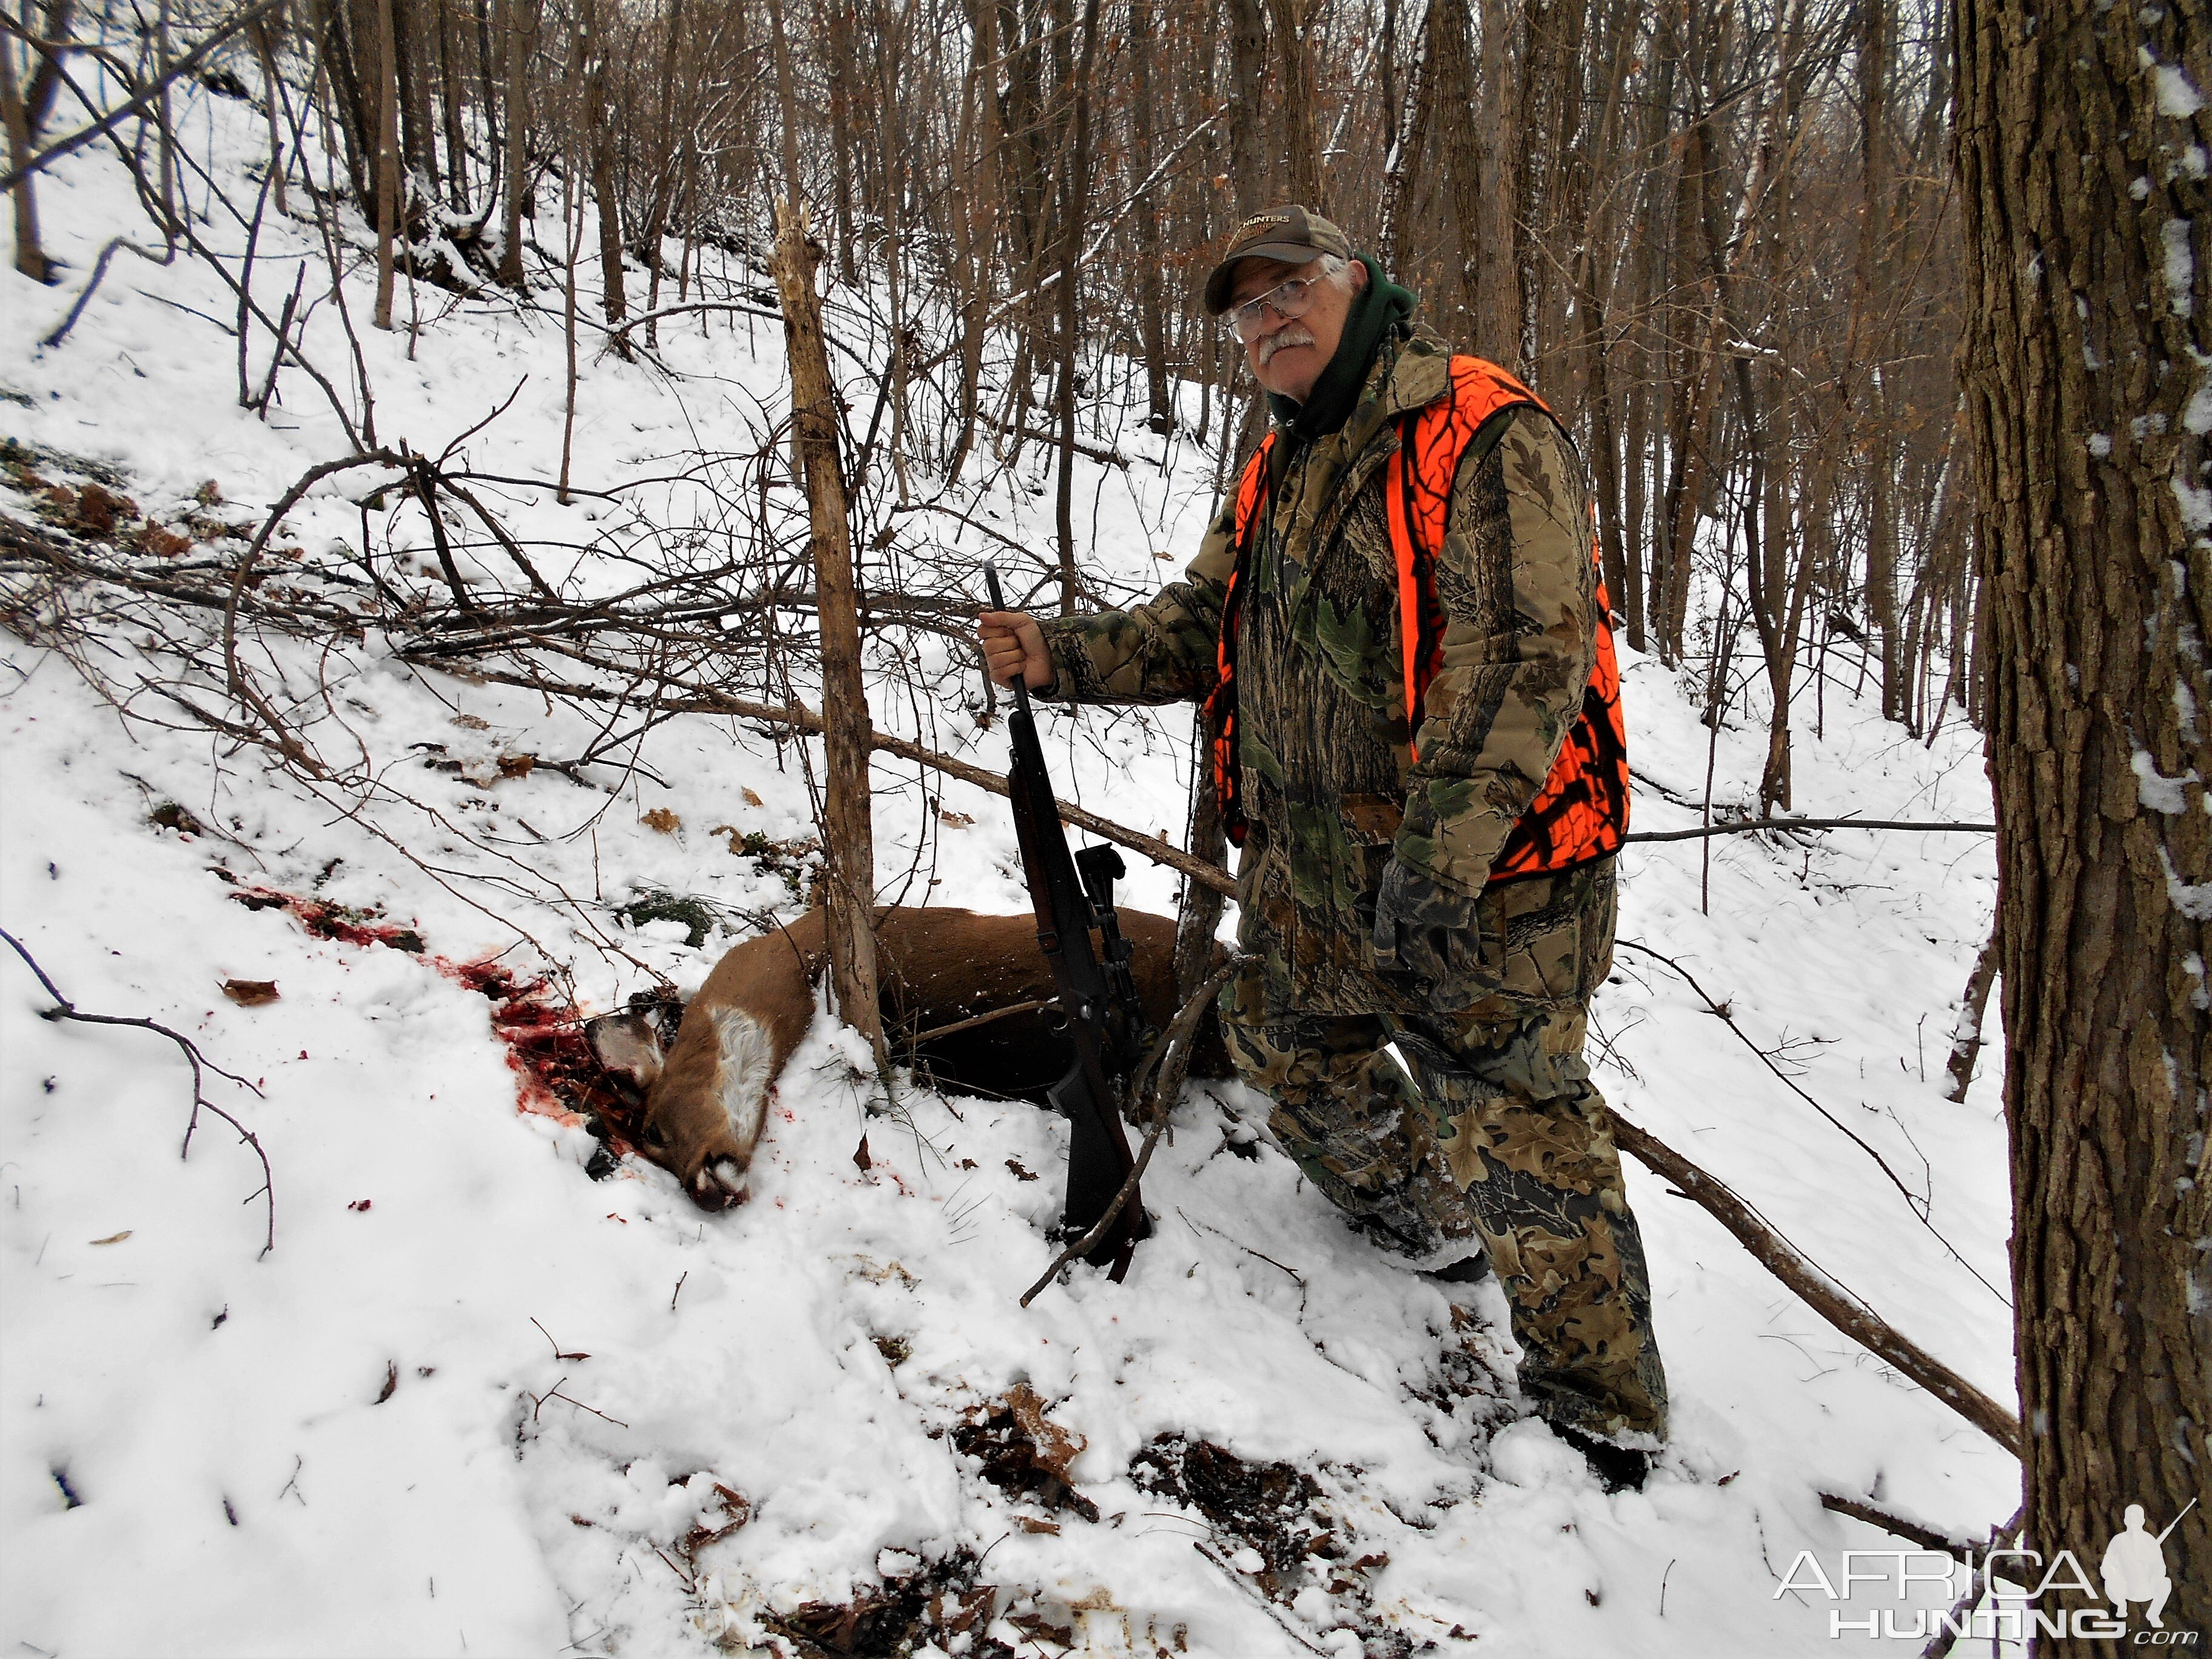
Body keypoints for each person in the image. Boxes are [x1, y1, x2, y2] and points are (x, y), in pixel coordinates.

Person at [977, 206, 1666, 1491]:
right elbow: (1196, 628)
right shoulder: (1278, 463)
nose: (1270, 321)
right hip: (1317, 871)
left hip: (1491, 881)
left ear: (1358, 286)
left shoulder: (1480, 429)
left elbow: (1528, 660)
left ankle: (1601, 1416)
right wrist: (1056, 653)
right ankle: (1427, 1223)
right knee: (1290, 1048)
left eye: (1291, 289)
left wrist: (1440, 866)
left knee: (1522, 1127)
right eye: (1247, 310)